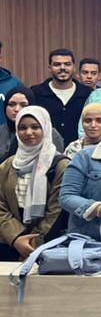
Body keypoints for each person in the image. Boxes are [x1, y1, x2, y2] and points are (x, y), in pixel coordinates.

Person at [0, 105, 69, 260]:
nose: (28, 132)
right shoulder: (8, 165)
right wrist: (16, 238)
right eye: (22, 128)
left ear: (46, 128)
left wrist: (33, 244)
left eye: (35, 127)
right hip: (10, 244)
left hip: (48, 244)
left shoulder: (60, 165)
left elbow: (56, 211)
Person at [32, 48, 89, 146]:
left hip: (80, 151)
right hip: (45, 151)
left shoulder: (87, 93)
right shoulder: (35, 93)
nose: (62, 68)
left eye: (67, 64)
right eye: (57, 64)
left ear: (74, 67)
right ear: (49, 68)